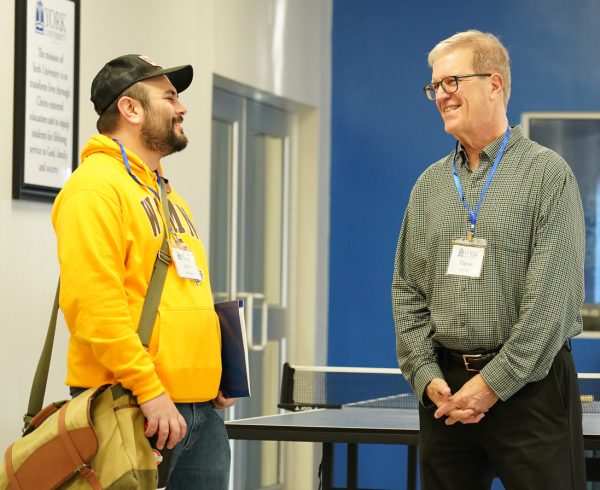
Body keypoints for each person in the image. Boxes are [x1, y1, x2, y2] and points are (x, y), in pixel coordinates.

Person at [391, 30, 586, 489]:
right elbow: (407, 292)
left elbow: (551, 303)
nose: (441, 95)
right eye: (435, 86)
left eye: (452, 82)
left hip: (531, 389)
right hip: (446, 393)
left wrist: (491, 385)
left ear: (494, 84)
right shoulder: (429, 187)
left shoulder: (547, 175)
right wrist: (424, 373)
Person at [52, 54, 236, 489]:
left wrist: (213, 371)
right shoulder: (94, 188)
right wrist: (149, 391)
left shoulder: (168, 195)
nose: (183, 107)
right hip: (131, 406)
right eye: (170, 96)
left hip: (198, 410)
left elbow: (182, 293)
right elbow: (94, 307)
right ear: (130, 109)